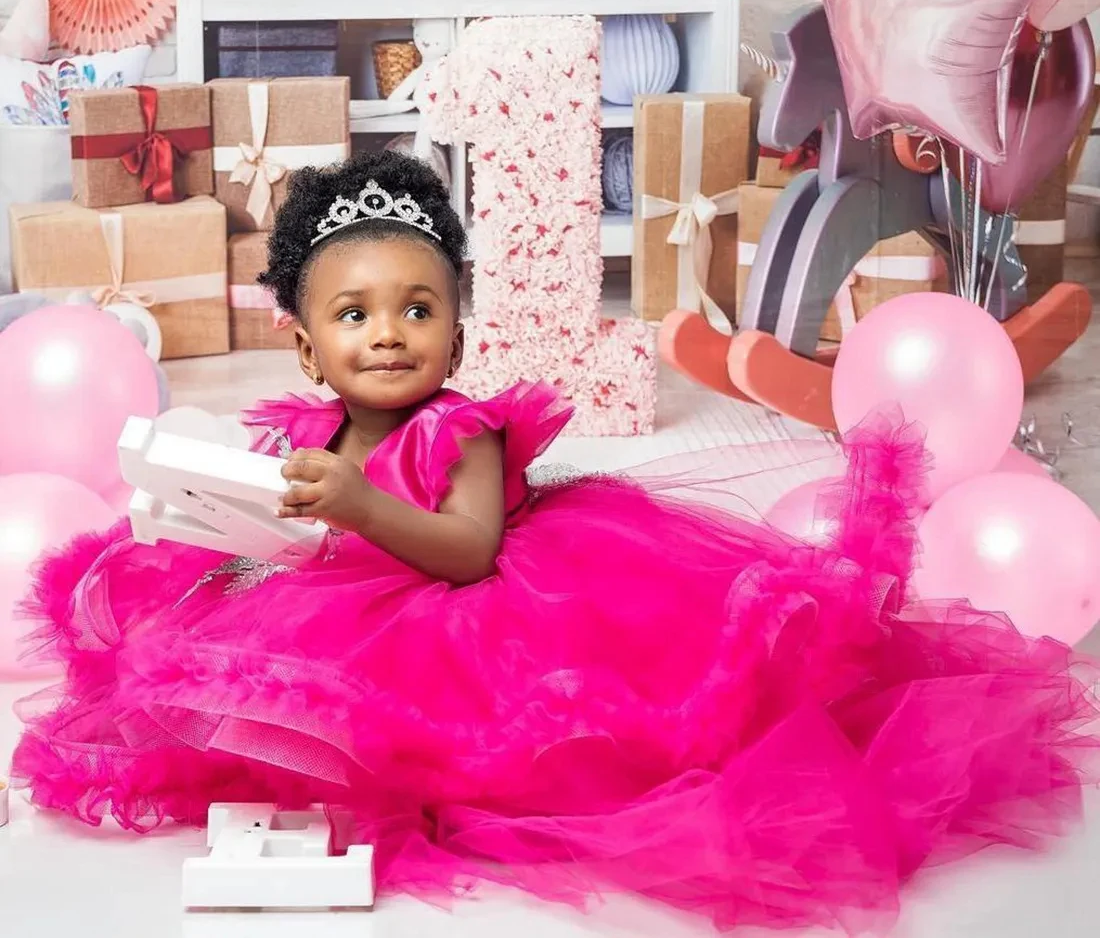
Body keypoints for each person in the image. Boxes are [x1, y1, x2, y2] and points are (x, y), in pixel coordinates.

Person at [12, 151, 1098, 934]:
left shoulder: (463, 429)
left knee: (548, 727)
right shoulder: (310, 430)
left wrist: (352, 503)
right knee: (221, 655)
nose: (386, 332)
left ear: (458, 327)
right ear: (302, 346)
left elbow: (465, 552)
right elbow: (296, 532)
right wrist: (248, 519)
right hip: (351, 595)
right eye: (353, 314)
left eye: (416, 307)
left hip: (482, 601)